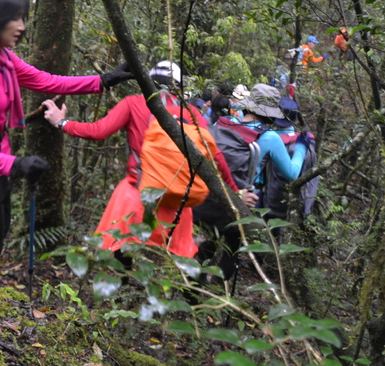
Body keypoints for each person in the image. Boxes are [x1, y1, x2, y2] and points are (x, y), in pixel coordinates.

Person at [0, 0, 124, 286]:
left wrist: (104, 80)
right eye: (14, 18)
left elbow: (47, 81)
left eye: (23, 18)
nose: (21, 26)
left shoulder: (1, 57)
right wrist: (15, 165)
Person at [42, 62, 247, 260]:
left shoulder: (133, 103)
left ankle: (121, 282)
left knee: (119, 250)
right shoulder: (191, 113)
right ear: (178, 86)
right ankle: (188, 289)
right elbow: (215, 155)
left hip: (138, 194)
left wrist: (61, 122)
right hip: (176, 199)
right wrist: (234, 192)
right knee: (182, 261)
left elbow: (98, 131)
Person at [194, 84, 308, 278]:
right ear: (272, 114)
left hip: (206, 199)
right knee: (229, 255)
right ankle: (217, 289)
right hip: (237, 204)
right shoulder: (269, 137)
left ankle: (196, 290)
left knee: (205, 249)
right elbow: (292, 173)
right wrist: (302, 147)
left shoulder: (220, 124)